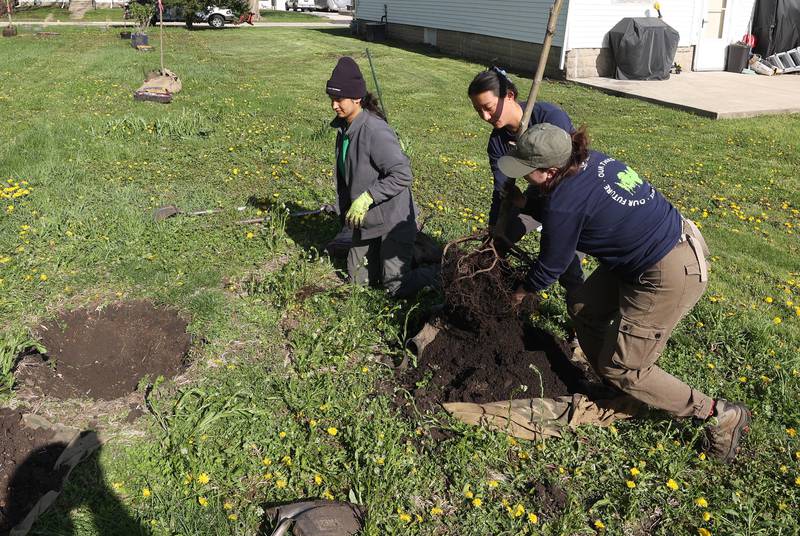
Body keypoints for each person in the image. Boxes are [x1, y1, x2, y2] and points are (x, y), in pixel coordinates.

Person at [499, 122, 751, 463]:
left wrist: (517, 294)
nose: (525, 176)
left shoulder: (565, 202)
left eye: (528, 172)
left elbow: (551, 266)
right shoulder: (587, 162)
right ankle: (616, 388)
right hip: (646, 254)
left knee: (627, 368)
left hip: (667, 273)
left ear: (551, 170)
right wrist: (526, 202)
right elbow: (571, 206)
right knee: (583, 308)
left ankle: (718, 414)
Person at [326, 57, 438, 298]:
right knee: (358, 282)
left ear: (356, 98)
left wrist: (368, 196)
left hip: (392, 219)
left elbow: (402, 174)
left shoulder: (374, 130)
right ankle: (404, 254)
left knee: (395, 287)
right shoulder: (345, 128)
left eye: (339, 99)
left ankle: (437, 269)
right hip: (368, 222)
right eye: (332, 99)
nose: (334, 105)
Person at [467, 66, 584, 295]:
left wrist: (549, 216)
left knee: (566, 261)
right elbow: (502, 189)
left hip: (569, 197)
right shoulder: (497, 143)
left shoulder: (549, 117)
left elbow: (567, 170)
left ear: (509, 96)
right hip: (535, 192)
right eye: (478, 110)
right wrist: (494, 226)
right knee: (501, 238)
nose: (485, 117)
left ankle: (582, 321)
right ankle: (489, 293)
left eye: (488, 108)